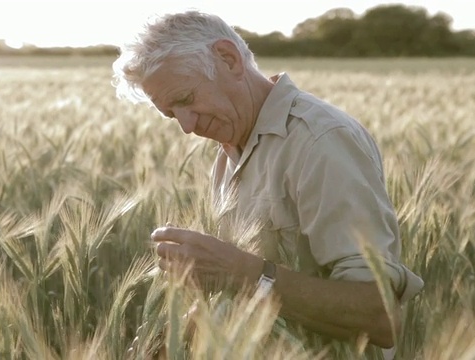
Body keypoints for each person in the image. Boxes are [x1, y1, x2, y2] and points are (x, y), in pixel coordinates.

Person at [112, 10, 424, 357]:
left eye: (186, 99)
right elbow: (250, 298)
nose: (186, 126)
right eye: (171, 114)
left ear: (228, 59)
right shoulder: (228, 152)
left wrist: (239, 272)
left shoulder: (320, 142)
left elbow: (378, 315)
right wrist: (181, 328)